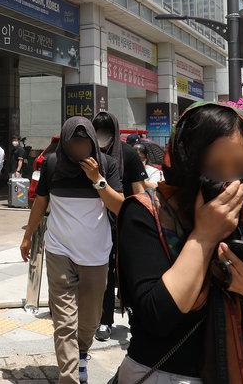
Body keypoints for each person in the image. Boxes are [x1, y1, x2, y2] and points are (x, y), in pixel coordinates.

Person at [115, 102, 243, 384]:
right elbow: (156, 316)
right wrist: (205, 236)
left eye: (241, 168)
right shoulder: (148, 213)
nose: (228, 182)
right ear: (185, 162)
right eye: (212, 167)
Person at [20, 117, 124, 384]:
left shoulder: (107, 165)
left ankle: (83, 354)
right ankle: (69, 377)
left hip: (96, 254)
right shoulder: (53, 164)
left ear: (92, 142)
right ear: (65, 142)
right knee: (64, 322)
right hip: (59, 251)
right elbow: (40, 202)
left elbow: (120, 207)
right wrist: (28, 236)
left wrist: (97, 180)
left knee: (89, 320)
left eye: (85, 143)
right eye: (74, 143)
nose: (80, 148)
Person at [92, 111, 148, 342]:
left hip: (123, 222)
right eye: (98, 131)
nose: (101, 136)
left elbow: (139, 191)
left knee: (128, 271)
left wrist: (141, 222)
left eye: (106, 131)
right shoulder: (87, 154)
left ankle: (137, 318)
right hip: (94, 223)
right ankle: (105, 320)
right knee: (104, 271)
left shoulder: (127, 155)